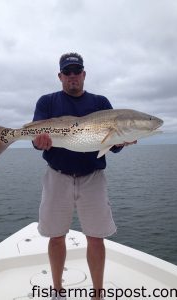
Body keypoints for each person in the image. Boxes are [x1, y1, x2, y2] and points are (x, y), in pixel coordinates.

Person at [32, 53, 136, 300]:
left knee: (96, 238)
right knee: (56, 237)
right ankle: (58, 292)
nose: (72, 77)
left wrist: (122, 140)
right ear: (60, 76)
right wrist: (39, 143)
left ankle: (97, 295)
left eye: (76, 71)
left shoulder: (101, 103)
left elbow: (113, 146)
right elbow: (37, 140)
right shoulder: (47, 102)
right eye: (67, 72)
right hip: (57, 176)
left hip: (93, 178)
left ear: (84, 74)